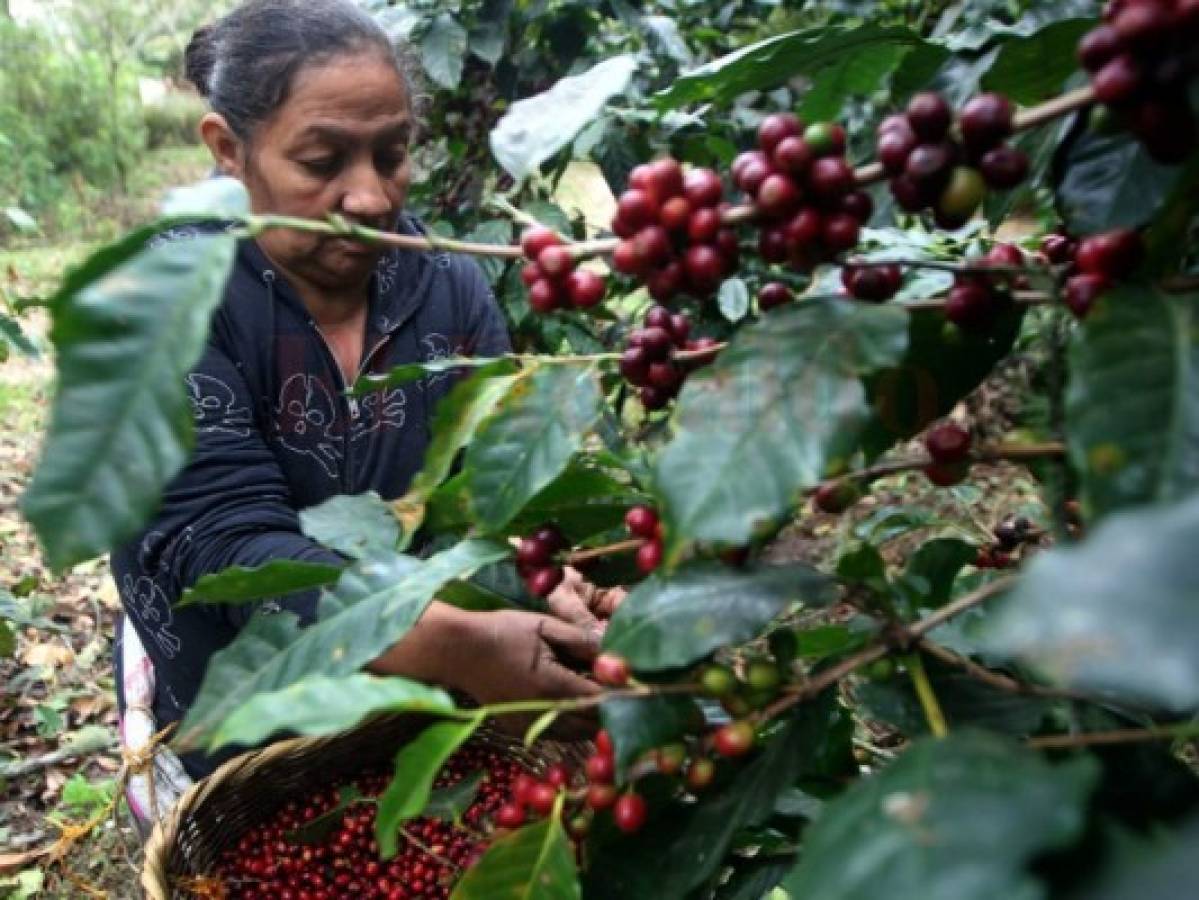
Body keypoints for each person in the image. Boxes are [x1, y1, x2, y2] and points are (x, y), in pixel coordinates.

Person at [112, 0, 617, 827]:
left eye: (393, 154)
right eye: (321, 161)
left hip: (415, 702)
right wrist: (461, 643)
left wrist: (549, 585)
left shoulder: (447, 286)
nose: (372, 197)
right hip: (237, 722)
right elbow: (224, 552)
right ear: (227, 150)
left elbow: (487, 493)